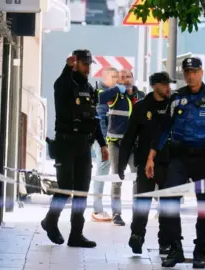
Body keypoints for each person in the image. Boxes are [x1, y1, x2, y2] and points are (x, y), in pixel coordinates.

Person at [146, 57, 205, 268]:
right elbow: (164, 129)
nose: (190, 75)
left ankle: (199, 252)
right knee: (168, 200)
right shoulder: (177, 98)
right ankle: (175, 248)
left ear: (201, 72)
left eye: (194, 71)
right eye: (187, 72)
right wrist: (151, 156)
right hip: (180, 158)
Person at [41, 50, 109, 248]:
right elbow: (61, 85)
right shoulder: (64, 84)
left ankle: (76, 234)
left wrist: (102, 143)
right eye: (84, 64)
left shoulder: (89, 88)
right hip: (65, 143)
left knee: (81, 192)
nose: (88, 68)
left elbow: (94, 119)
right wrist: (67, 68)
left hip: (83, 145)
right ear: (76, 63)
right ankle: (50, 222)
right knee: (65, 189)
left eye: (90, 64)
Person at [118, 72, 174, 255]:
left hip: (168, 162)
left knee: (167, 204)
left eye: (168, 84)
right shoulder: (142, 107)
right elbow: (129, 137)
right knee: (142, 202)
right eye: (164, 84)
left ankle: (165, 241)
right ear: (154, 85)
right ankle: (137, 236)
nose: (168, 87)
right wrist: (121, 163)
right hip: (145, 163)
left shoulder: (173, 106)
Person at [99, 68, 145, 226]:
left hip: (134, 143)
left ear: (133, 78)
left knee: (136, 177)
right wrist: (115, 88)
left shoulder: (141, 96)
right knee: (117, 177)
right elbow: (100, 98)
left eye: (128, 76)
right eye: (122, 77)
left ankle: (138, 213)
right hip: (116, 143)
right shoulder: (115, 94)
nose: (126, 79)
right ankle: (116, 214)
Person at [91, 67, 120, 222]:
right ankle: (97, 209)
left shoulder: (111, 93)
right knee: (102, 171)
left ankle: (98, 208)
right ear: (105, 77)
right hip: (103, 139)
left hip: (106, 139)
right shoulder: (102, 94)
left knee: (103, 170)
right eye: (113, 76)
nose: (117, 79)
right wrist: (104, 143)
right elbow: (100, 120)